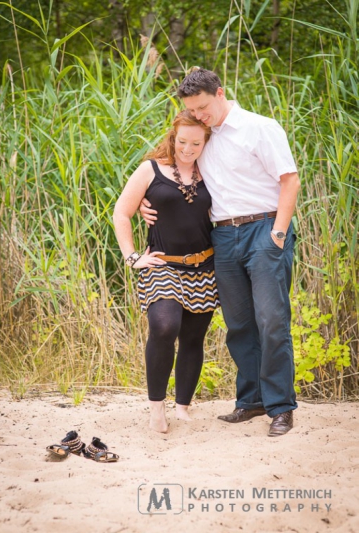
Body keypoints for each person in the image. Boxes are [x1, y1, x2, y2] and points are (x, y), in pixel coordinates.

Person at [141, 68, 300, 437]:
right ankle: (251, 400)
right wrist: (146, 205)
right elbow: (171, 170)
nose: (198, 114)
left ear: (220, 92)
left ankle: (280, 406)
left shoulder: (260, 128)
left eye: (202, 106)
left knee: (272, 320)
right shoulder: (203, 136)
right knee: (239, 324)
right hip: (223, 238)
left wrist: (278, 232)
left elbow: (289, 179)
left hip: (264, 228)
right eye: (192, 110)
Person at [114, 109, 219, 433]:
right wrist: (132, 257)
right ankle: (156, 407)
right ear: (173, 137)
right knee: (164, 326)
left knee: (193, 337)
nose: (187, 149)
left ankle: (183, 406)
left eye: (196, 144)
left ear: (206, 143)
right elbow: (121, 212)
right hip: (161, 264)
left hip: (203, 265)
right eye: (182, 141)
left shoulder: (211, 171)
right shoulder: (151, 170)